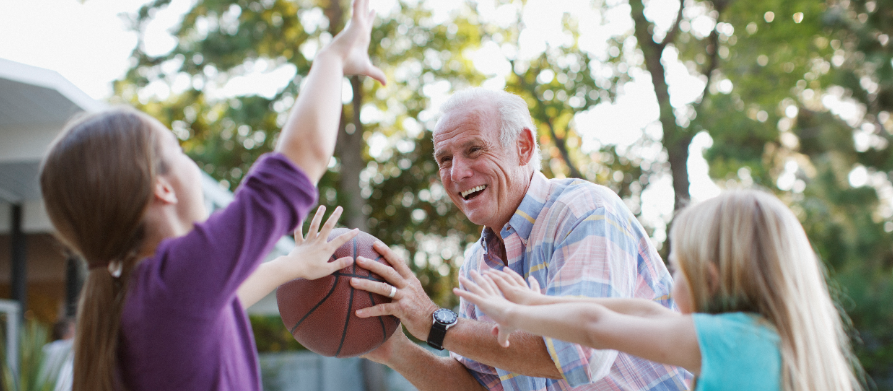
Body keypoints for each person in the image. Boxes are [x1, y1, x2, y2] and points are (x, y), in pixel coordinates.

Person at [37, 0, 385, 389]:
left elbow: (225, 298)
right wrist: (333, 57)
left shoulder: (137, 294)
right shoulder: (175, 279)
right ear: (162, 187)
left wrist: (293, 265)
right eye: (178, 151)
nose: (190, 163)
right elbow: (301, 159)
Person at [349, 88, 690, 390]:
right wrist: (395, 349)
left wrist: (435, 322)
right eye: (445, 159)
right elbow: (480, 388)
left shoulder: (583, 212)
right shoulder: (476, 266)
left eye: (474, 149)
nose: (457, 173)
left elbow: (582, 354)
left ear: (523, 147)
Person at [455, 190, 865, 391]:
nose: (671, 283)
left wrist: (518, 315)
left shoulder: (727, 340)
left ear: (710, 279)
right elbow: (640, 311)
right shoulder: (761, 337)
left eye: (676, 269)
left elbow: (598, 326)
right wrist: (538, 301)